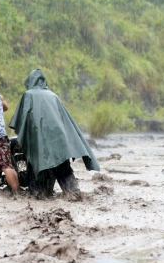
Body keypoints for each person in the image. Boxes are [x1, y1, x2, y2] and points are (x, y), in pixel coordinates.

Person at [9, 69, 100, 200]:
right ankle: (73, 192)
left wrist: (21, 139)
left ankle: (40, 193)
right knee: (63, 167)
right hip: (59, 139)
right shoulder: (53, 95)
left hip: (38, 141)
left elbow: (23, 121)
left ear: (30, 82)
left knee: (37, 167)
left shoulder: (28, 95)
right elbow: (66, 121)